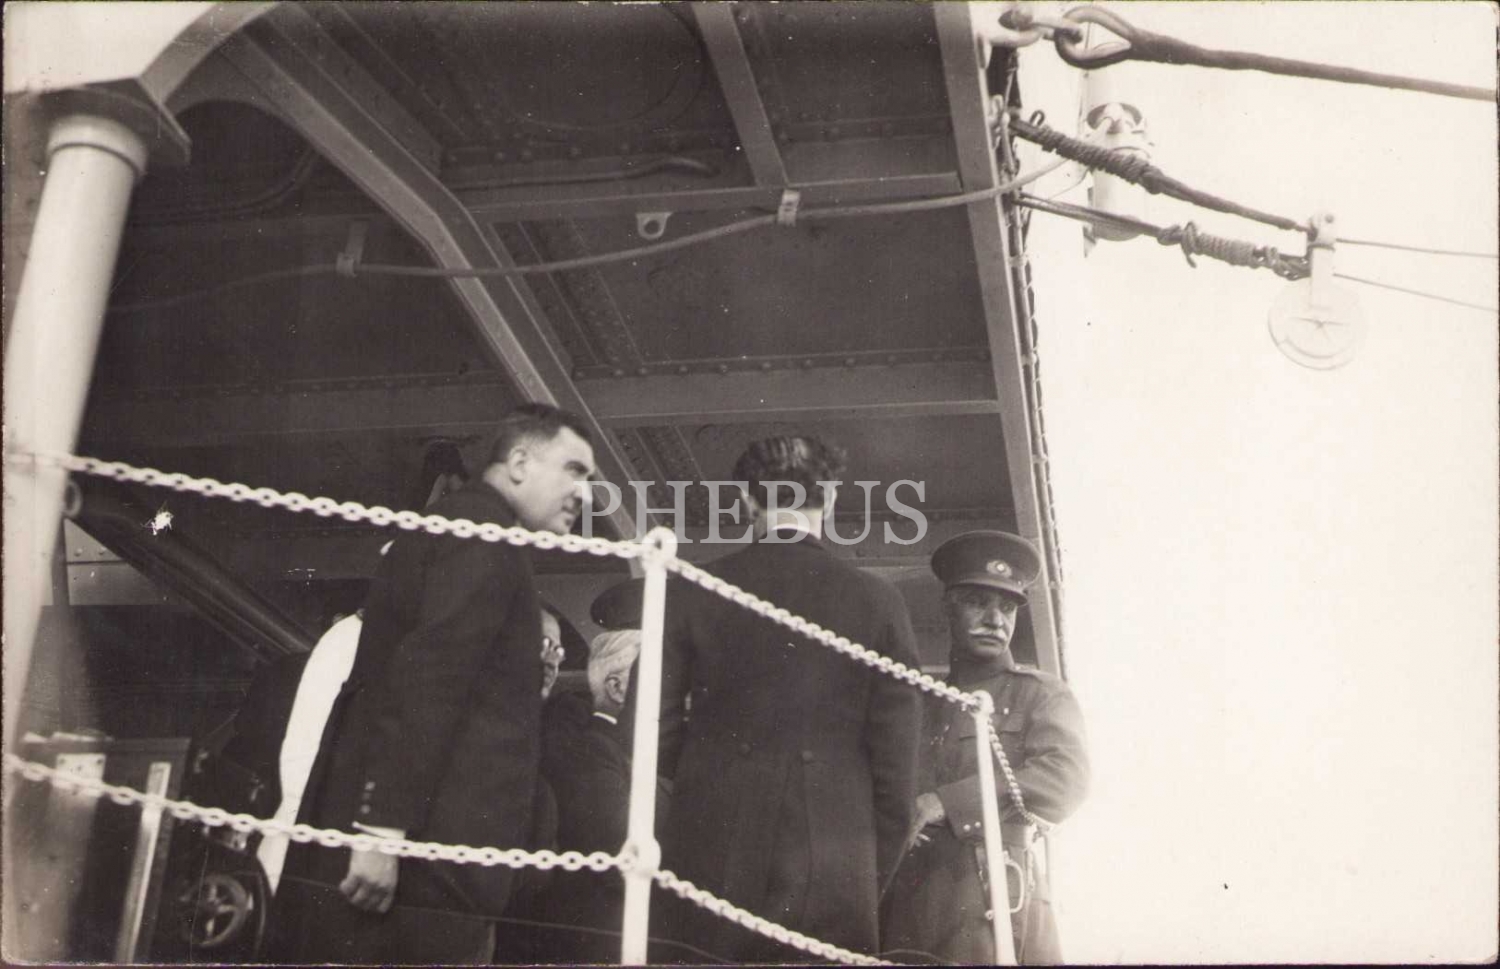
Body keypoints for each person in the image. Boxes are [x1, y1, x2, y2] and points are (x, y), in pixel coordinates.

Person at [266, 403, 597, 965]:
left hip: (417, 859)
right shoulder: (484, 536)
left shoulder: (465, 530)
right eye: (574, 470)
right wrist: (382, 831)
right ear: (520, 463)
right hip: (421, 870)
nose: (584, 494)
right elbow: (430, 679)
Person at [653, 436, 922, 963]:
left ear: (747, 502)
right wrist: (863, 873)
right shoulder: (879, 601)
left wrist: (712, 776)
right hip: (835, 862)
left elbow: (646, 728)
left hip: (709, 850)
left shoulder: (691, 588)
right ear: (831, 499)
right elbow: (897, 770)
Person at [880, 531, 1090, 965]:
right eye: (978, 602)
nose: (995, 619)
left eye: (1007, 607)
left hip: (995, 893)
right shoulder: (920, 702)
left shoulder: (1040, 694)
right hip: (911, 901)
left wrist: (948, 802)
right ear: (949, 606)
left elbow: (1065, 779)